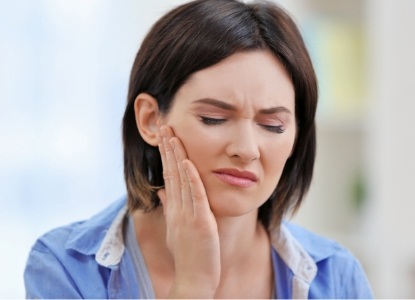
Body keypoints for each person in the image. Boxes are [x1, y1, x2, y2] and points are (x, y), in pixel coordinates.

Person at [24, 0, 373, 298]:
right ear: (150, 119)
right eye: (214, 118)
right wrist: (192, 285)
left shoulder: (337, 279)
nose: (246, 149)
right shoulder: (65, 268)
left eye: (272, 126)